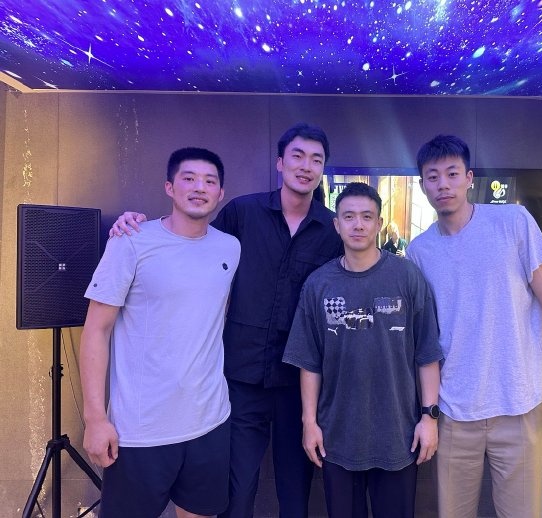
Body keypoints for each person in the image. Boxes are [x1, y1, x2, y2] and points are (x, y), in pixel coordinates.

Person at [110, 123, 344, 518]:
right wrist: (134, 225)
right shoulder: (243, 212)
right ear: (280, 162)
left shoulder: (331, 229)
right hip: (239, 378)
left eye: (316, 160)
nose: (306, 166)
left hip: (299, 381)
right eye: (298, 156)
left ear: (323, 168)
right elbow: (193, 242)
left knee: (296, 490)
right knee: (237, 491)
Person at [406, 135, 542, 518]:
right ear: (422, 185)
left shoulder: (514, 223)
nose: (443, 184)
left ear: (469, 178)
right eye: (432, 177)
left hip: (519, 403)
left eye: (452, 173)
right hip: (454, 411)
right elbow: (425, 338)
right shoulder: (419, 251)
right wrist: (429, 411)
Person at [80, 147, 241, 518]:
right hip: (140, 429)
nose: (199, 187)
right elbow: (96, 330)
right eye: (189, 178)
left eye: (209, 181)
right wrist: (95, 419)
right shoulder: (130, 240)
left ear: (220, 194)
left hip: (210, 422)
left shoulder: (229, 248)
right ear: (169, 187)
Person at [283, 182, 443, 518]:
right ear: (336, 224)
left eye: (367, 217)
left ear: (379, 223)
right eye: (349, 216)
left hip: (398, 438)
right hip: (337, 438)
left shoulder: (407, 277)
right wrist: (309, 422)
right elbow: (309, 362)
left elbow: (427, 353)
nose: (358, 224)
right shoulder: (318, 284)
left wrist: (429, 418)